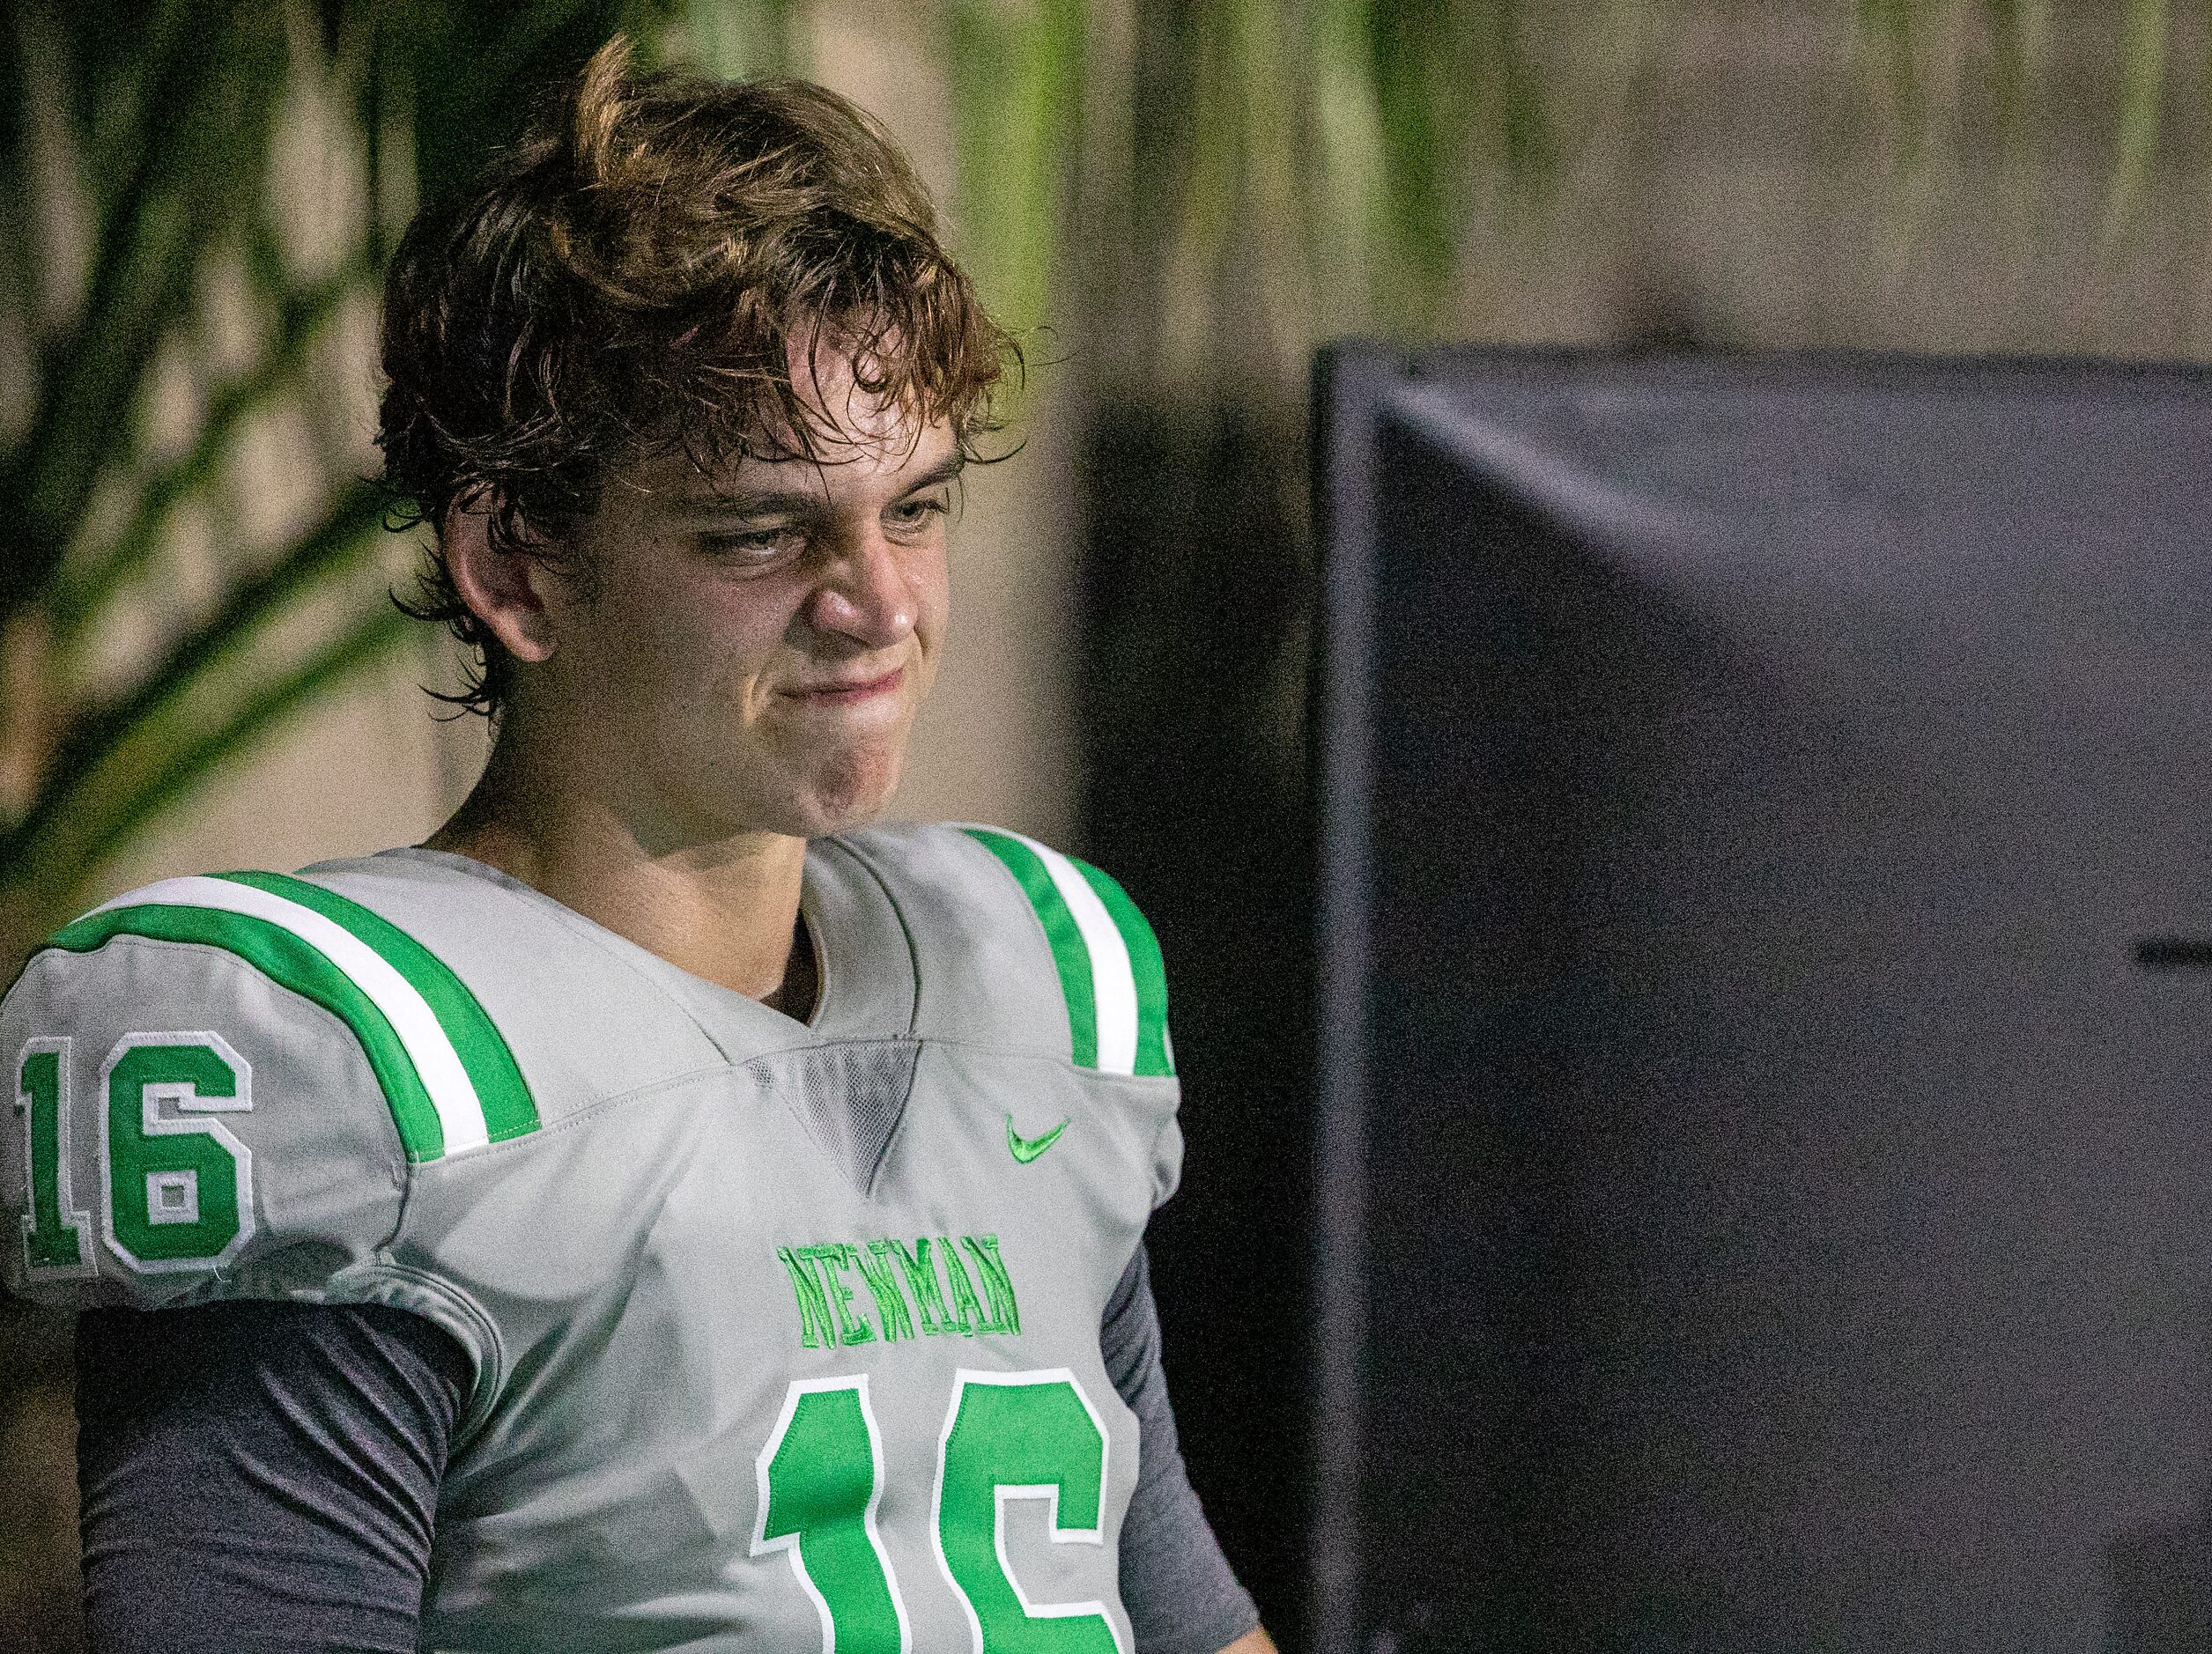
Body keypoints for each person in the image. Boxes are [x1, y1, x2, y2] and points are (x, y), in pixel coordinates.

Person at [1, 39, 1273, 1654]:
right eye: (765, 528)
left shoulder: (1033, 980)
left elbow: (1178, 1615)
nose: (879, 604)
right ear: (515, 562)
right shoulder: (355, 1074)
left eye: (918, 509)